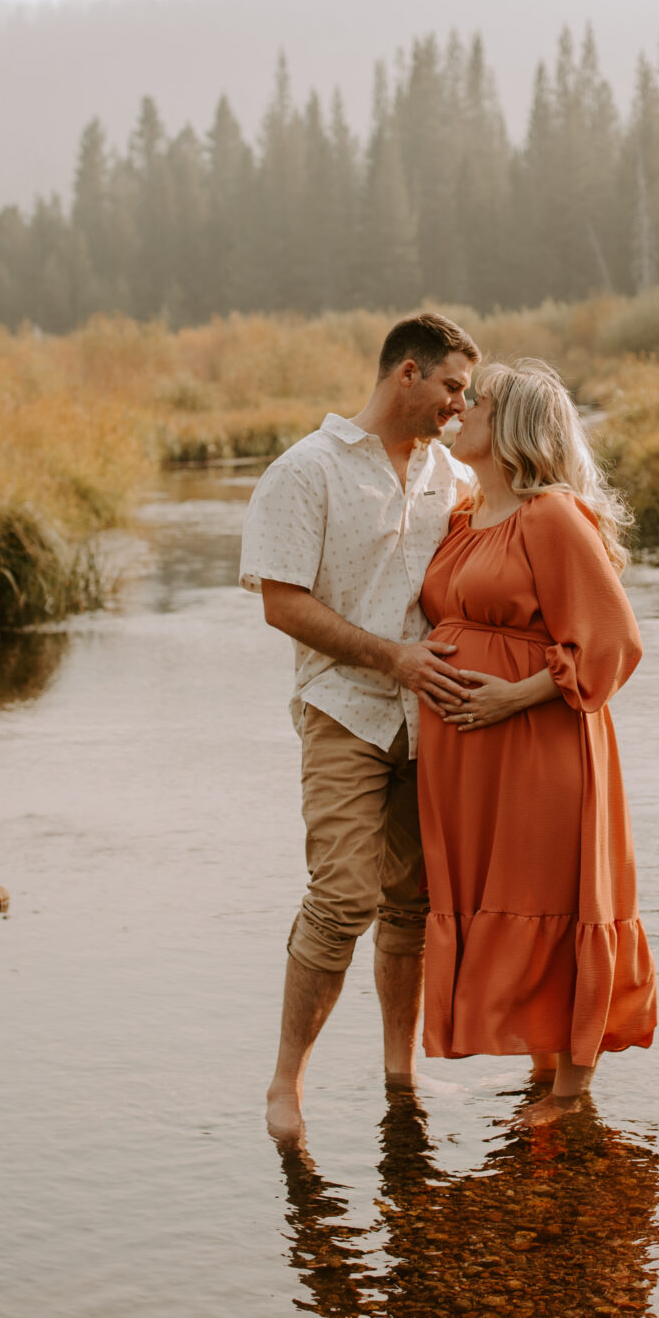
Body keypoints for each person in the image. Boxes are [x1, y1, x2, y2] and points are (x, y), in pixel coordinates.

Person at [239, 311, 481, 1144]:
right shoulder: (306, 470)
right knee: (342, 898)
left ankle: (399, 1076)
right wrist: (394, 658)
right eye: (452, 386)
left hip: (431, 720)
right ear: (405, 373)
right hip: (344, 707)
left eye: (468, 391)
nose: (461, 403)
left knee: (412, 905)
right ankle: (286, 1084)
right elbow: (281, 602)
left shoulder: (451, 475)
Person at [416, 357, 653, 1123]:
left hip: (542, 745)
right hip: (477, 760)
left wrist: (512, 697)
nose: (460, 409)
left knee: (557, 894)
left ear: (508, 425)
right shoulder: (464, 515)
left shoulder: (549, 515)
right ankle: (544, 1069)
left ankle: (572, 1091)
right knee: (511, 894)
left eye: (473, 400)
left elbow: (614, 639)